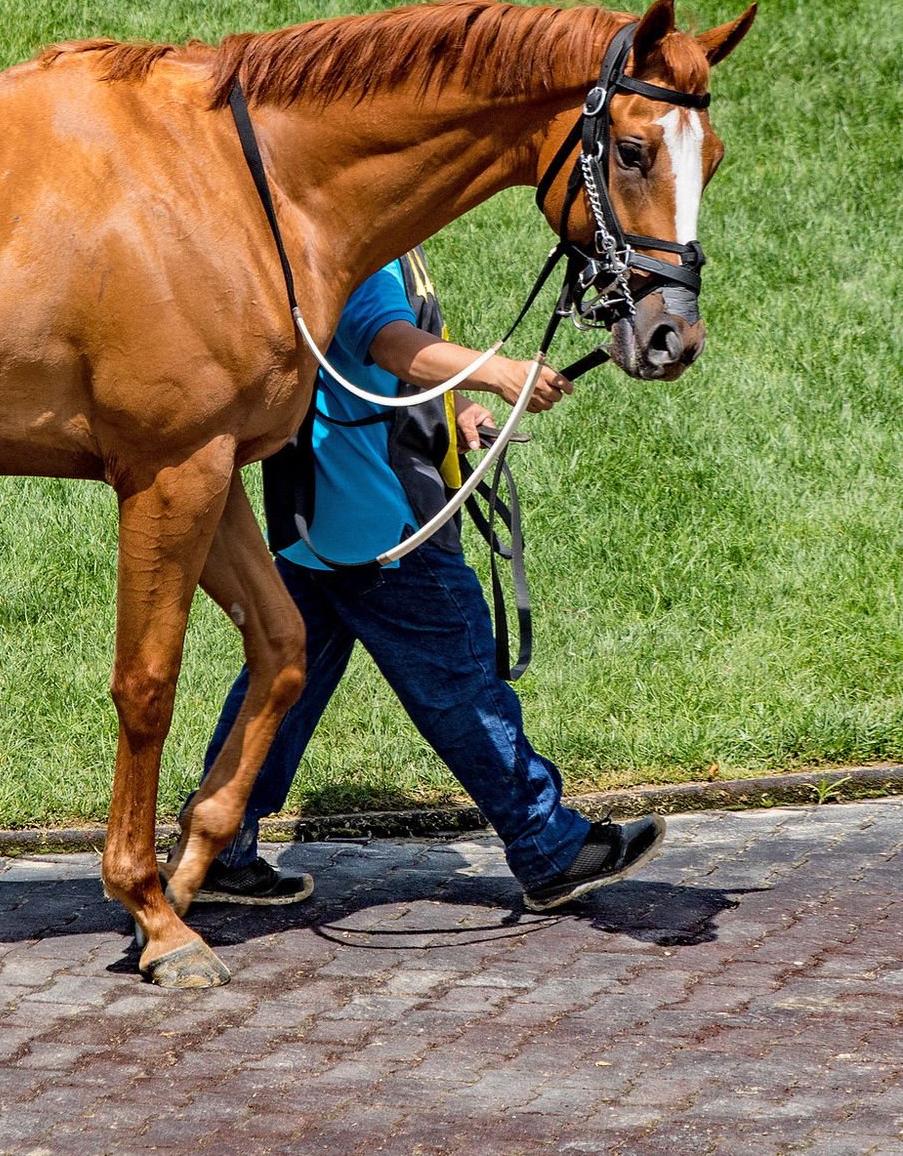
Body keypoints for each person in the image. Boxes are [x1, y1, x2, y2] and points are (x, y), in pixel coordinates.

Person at [187, 247, 663, 911]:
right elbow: (388, 344)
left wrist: (455, 411)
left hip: (318, 523)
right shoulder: (362, 253)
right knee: (463, 684)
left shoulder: (360, 241)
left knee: (279, 684)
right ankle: (550, 846)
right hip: (387, 529)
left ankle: (215, 847)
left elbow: (380, 369)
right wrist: (499, 373)